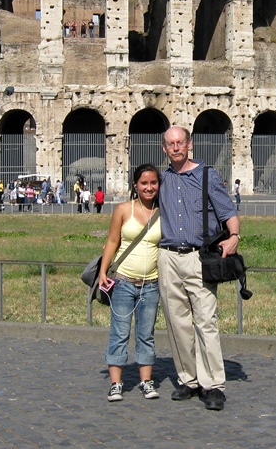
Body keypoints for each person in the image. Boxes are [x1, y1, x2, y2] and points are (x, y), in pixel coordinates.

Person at [158, 126, 240, 411]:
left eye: (180, 142)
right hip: (168, 257)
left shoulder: (207, 175)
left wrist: (235, 237)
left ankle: (213, 384)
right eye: (171, 143)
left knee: (206, 320)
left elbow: (228, 212)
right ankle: (188, 378)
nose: (176, 147)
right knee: (177, 322)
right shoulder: (162, 179)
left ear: (189, 145)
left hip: (198, 256)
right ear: (165, 148)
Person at [98, 164, 163, 402]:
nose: (149, 187)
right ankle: (116, 384)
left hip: (151, 283)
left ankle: (146, 381)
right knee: (120, 333)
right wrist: (104, 271)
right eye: (144, 183)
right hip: (124, 281)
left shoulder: (163, 211)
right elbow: (112, 241)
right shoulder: (124, 209)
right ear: (135, 185)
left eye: (153, 183)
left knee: (147, 334)